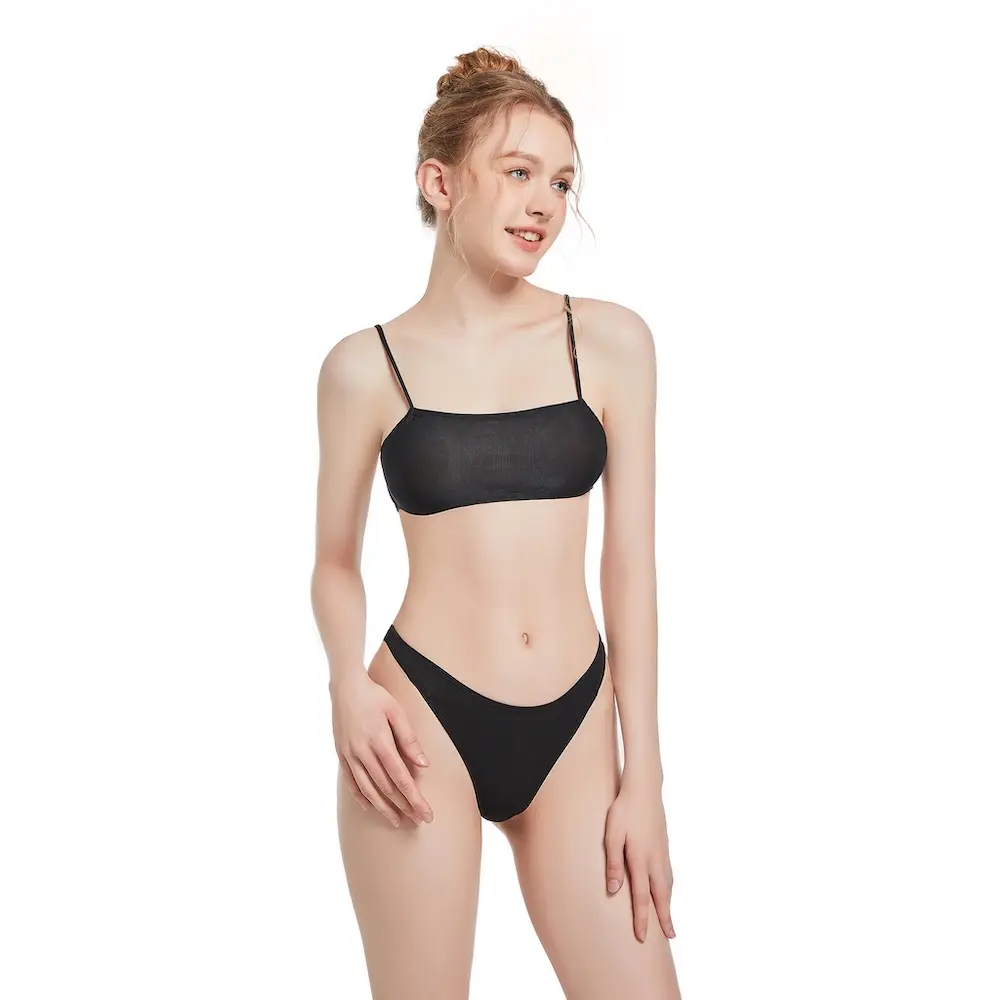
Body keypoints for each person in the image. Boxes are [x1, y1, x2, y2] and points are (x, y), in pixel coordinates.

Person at [311, 45, 682, 1000]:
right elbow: (334, 562)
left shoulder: (611, 342)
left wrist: (645, 777)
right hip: (417, 724)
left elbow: (631, 567)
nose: (544, 204)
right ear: (440, 183)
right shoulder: (364, 366)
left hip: (576, 727)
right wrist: (346, 684)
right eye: (517, 173)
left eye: (560, 181)